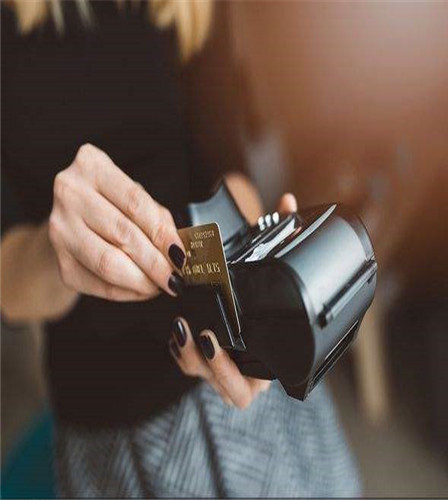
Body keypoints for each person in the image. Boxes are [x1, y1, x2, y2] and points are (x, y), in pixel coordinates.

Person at [1, 1, 360, 496]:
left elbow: (226, 160)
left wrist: (248, 269)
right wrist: (52, 250)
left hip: (242, 365)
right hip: (115, 413)